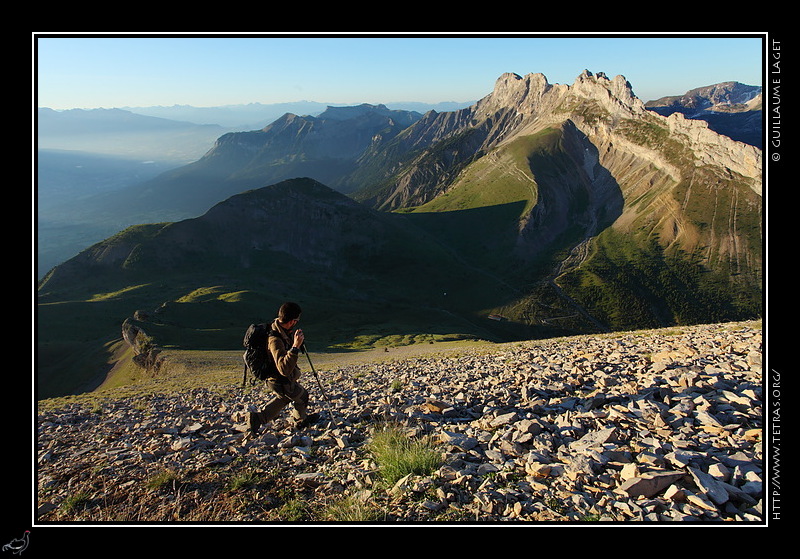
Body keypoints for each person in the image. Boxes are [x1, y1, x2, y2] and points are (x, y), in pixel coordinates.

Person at [236, 302, 319, 438]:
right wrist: (295, 347)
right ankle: (299, 421)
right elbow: (284, 369)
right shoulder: (274, 339)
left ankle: (256, 419)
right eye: (296, 321)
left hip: (275, 380)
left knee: (283, 399)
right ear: (292, 321)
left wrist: (293, 341)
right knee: (302, 397)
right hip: (280, 380)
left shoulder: (278, 328)